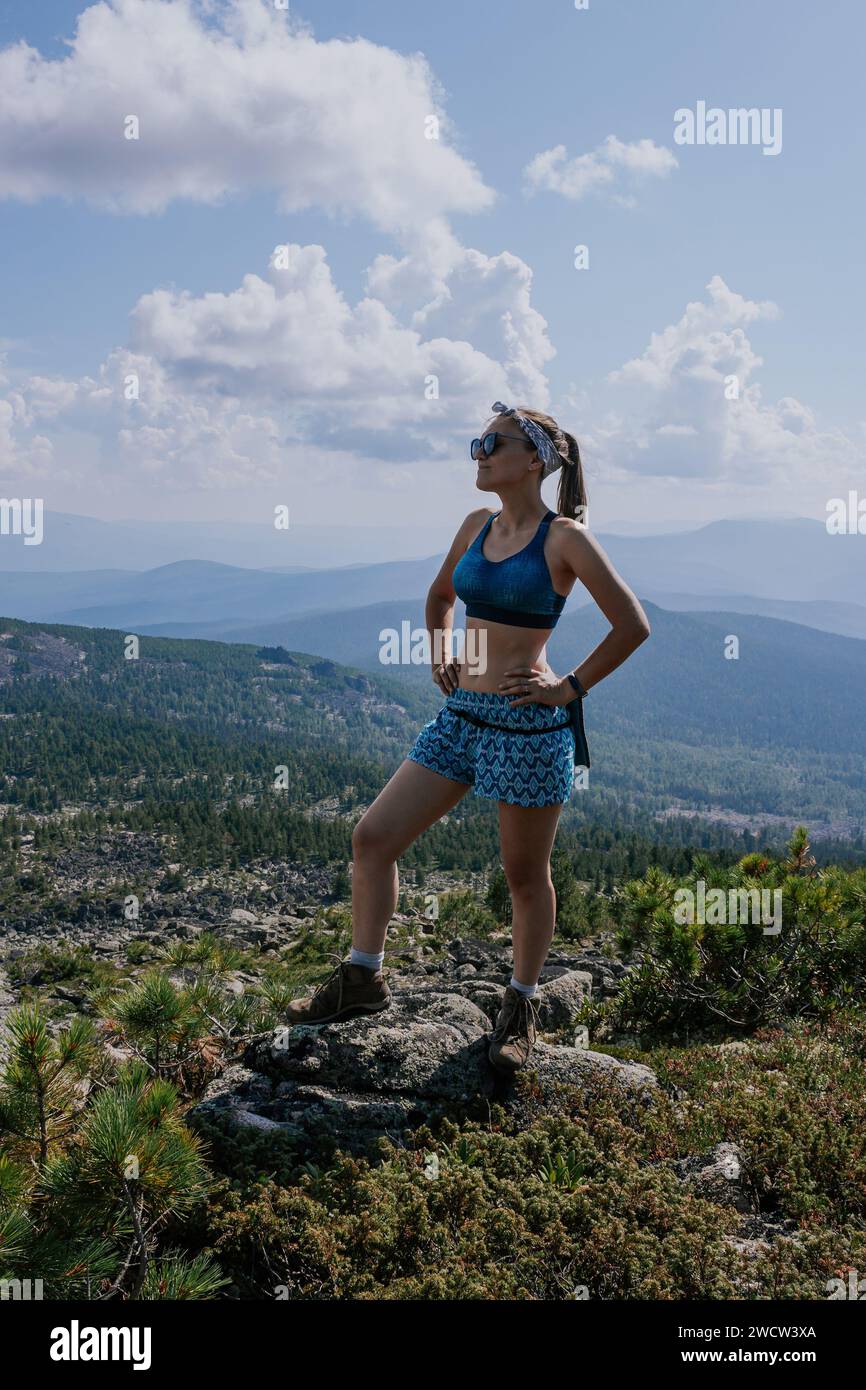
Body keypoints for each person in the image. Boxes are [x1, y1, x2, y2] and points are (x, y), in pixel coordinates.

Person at [286, 402, 651, 1073]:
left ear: (535, 459)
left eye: (492, 443)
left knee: (522, 875)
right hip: (462, 718)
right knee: (373, 837)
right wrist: (439, 652)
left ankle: (520, 1008)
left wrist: (568, 688)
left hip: (529, 724)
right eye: (476, 443)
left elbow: (632, 624)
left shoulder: (564, 538)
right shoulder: (475, 525)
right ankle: (362, 977)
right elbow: (438, 597)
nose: (478, 453)